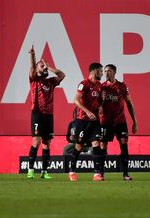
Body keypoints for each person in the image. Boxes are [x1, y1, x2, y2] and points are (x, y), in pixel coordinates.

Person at [26, 45, 65, 179]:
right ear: (37, 69)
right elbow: (32, 69)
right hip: (37, 113)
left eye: (44, 66)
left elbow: (62, 75)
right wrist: (32, 56)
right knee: (36, 142)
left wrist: (49, 68)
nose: (44, 67)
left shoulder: (51, 82)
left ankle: (44, 172)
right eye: (41, 66)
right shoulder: (34, 80)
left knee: (46, 144)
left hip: (49, 115)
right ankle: (30, 170)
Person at [100, 64, 138, 181]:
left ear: (115, 72)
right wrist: (102, 99)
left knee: (123, 145)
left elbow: (129, 104)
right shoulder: (101, 87)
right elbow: (98, 107)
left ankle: (126, 174)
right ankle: (100, 174)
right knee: (103, 146)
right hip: (105, 122)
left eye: (109, 71)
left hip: (120, 122)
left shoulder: (122, 86)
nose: (106, 73)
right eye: (105, 71)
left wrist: (135, 122)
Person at [68, 62, 104, 181]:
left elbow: (99, 101)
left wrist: (100, 106)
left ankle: (97, 173)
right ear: (94, 72)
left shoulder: (99, 85)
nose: (102, 73)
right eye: (100, 71)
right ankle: (71, 171)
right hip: (82, 120)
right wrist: (88, 111)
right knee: (79, 146)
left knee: (96, 144)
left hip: (95, 121)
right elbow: (76, 101)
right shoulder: (83, 84)